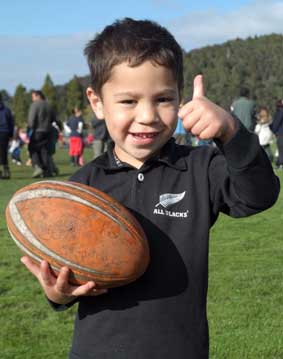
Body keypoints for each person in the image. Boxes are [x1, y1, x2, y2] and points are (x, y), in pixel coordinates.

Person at [21, 18, 280, 359]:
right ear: (97, 102)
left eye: (163, 99)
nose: (147, 115)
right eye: (128, 101)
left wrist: (230, 131)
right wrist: (59, 294)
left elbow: (259, 195)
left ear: (180, 95)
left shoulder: (199, 168)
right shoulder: (82, 188)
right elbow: (66, 276)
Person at [28, 90, 55, 178]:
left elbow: (31, 119)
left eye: (33, 97)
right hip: (48, 131)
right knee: (44, 151)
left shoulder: (35, 105)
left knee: (32, 149)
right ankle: (47, 170)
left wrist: (30, 128)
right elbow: (55, 119)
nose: (32, 99)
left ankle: (38, 166)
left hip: (38, 131)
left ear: (38, 96)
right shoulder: (49, 105)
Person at [0, 93, 14, 179]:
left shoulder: (6, 110)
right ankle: (6, 170)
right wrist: (11, 134)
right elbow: (11, 123)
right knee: (3, 152)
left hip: (3, 131)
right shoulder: (7, 110)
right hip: (5, 132)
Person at [270, 99, 283, 169]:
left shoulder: (280, 111)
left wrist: (272, 129)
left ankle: (281, 164)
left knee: (281, 149)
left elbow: (276, 123)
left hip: (281, 133)